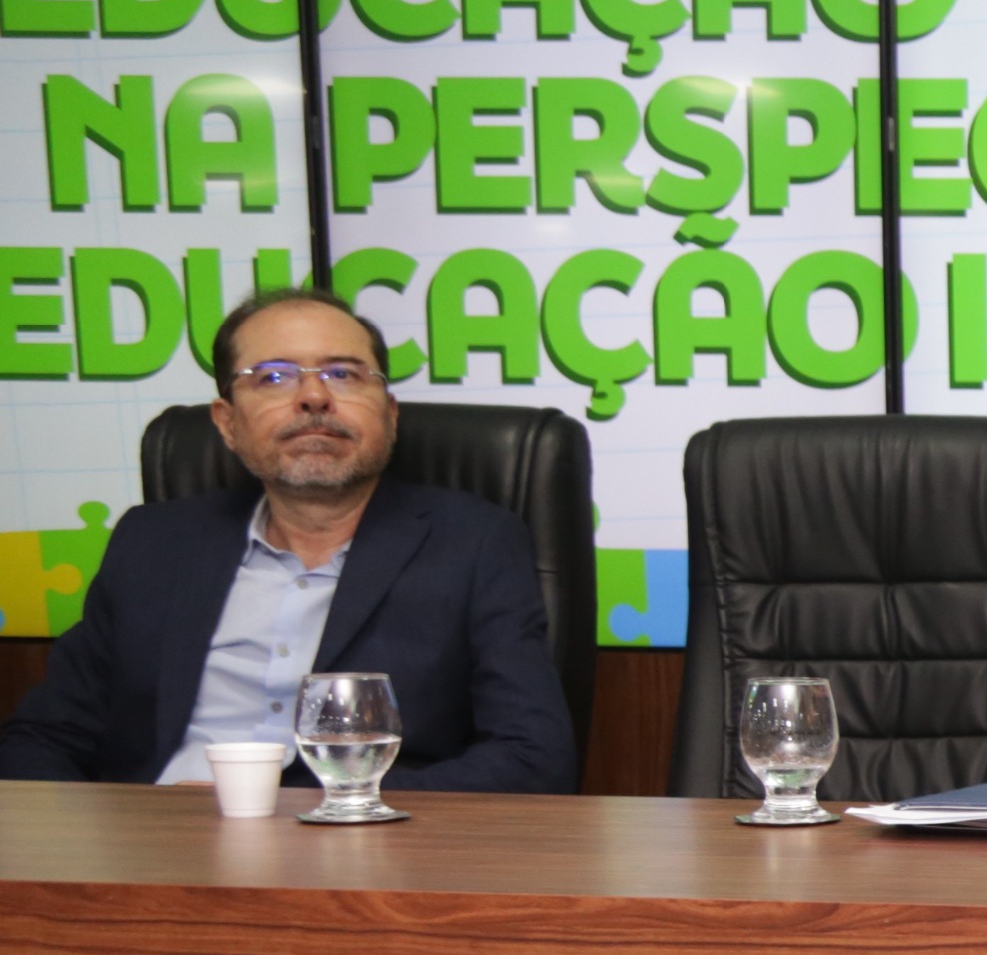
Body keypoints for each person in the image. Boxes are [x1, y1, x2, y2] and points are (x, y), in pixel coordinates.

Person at [0, 287, 574, 791]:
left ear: (390, 414)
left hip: (357, 847)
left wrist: (314, 810)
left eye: (344, 374)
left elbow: (532, 757)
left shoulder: (474, 543)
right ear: (227, 422)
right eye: (273, 377)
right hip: (149, 842)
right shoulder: (152, 543)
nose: (314, 397)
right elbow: (41, 738)